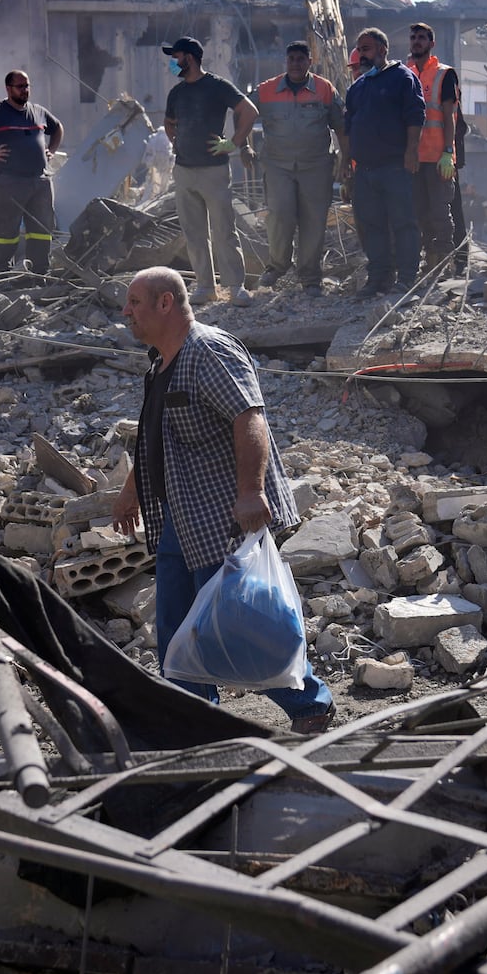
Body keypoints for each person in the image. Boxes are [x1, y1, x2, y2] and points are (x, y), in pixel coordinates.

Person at [113, 267, 335, 734]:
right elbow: (156, 439)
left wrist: (251, 492)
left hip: (221, 518)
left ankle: (311, 706)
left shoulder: (208, 350)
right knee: (176, 628)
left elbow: (249, 417)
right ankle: (191, 717)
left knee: (242, 621)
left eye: (134, 302)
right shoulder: (159, 366)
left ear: (165, 303)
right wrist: (130, 492)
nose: (125, 312)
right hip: (178, 518)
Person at [163, 37, 259, 307]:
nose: (172, 62)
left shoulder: (217, 87)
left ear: (190, 58)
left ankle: (235, 286)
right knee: (194, 233)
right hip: (184, 170)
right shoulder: (177, 92)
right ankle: (205, 286)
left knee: (224, 230)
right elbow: (169, 122)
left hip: (214, 171)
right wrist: (175, 141)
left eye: (176, 57)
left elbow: (249, 111)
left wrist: (234, 143)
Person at [256, 42, 345, 296]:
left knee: (314, 222)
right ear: (286, 61)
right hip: (278, 166)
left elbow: (340, 127)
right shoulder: (266, 89)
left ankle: (310, 277)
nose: (295, 63)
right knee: (280, 216)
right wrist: (241, 147)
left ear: (309, 61)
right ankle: (277, 266)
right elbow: (243, 113)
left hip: (316, 167)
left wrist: (346, 160)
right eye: (291, 58)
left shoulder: (325, 89)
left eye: (301, 59)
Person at [344, 27, 425, 297]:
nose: (361, 54)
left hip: (395, 166)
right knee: (372, 224)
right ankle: (378, 278)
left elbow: (415, 116)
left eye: (366, 48)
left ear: (382, 50)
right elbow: (349, 126)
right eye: (359, 49)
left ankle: (407, 278)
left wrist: (412, 151)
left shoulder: (402, 77)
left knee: (403, 222)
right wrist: (347, 164)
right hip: (365, 170)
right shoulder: (358, 87)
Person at [0, 70, 64, 274]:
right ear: (8, 89)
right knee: (7, 230)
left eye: (27, 86)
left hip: (40, 180)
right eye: (20, 86)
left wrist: (52, 149)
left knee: (41, 230)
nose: (25, 90)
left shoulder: (38, 111)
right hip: (9, 181)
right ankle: (1, 272)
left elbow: (58, 127)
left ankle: (39, 272)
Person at [404, 22, 461, 273]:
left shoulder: (443, 74)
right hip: (414, 157)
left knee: (440, 212)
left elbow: (449, 117)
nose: (417, 41)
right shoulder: (405, 74)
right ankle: (428, 261)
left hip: (439, 157)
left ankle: (445, 262)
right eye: (414, 37)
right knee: (418, 213)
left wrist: (448, 152)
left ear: (431, 43)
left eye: (422, 37)